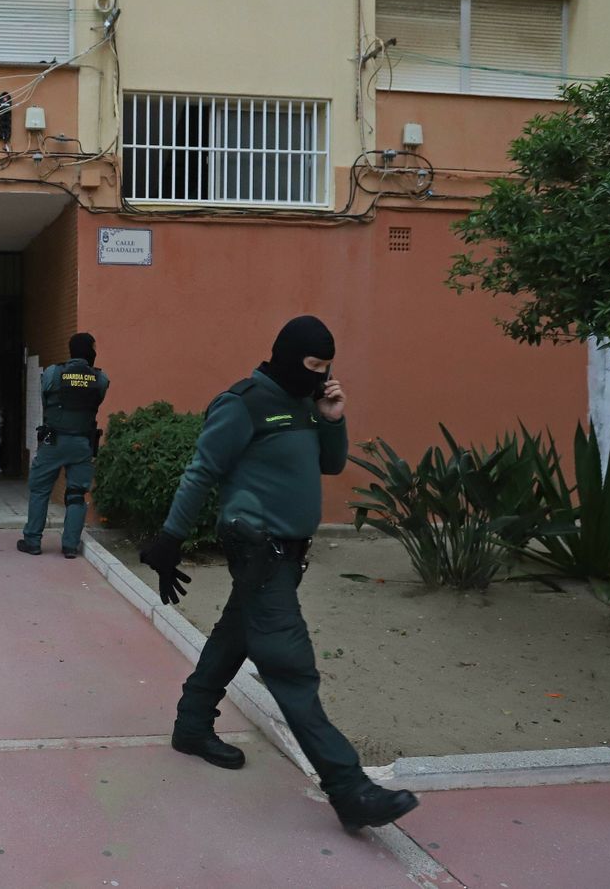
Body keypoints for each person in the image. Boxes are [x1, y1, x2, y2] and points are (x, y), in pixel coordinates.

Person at [138, 315, 419, 834]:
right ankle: (349, 788)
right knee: (290, 666)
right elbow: (202, 470)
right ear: (287, 358)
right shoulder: (243, 403)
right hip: (256, 546)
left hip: (286, 552)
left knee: (235, 633)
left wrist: (332, 417)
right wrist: (171, 538)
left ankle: (191, 725)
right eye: (311, 368)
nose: (317, 378)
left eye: (325, 371)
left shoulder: (305, 403)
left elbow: (330, 465)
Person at [18, 332, 109, 559]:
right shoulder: (100, 379)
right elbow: (97, 401)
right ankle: (70, 546)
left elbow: (45, 398)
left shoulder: (53, 373)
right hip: (82, 443)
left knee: (40, 490)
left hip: (53, 441)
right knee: (77, 494)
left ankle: (33, 542)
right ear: (91, 352)